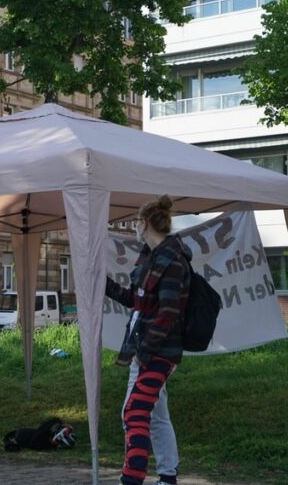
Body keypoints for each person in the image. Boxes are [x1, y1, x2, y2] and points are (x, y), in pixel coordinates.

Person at [105, 195, 189, 485]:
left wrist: (146, 351)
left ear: (143, 224)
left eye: (136, 222)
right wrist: (106, 286)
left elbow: (168, 313)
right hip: (145, 347)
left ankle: (132, 477)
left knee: (134, 412)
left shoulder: (172, 261)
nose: (135, 227)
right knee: (155, 414)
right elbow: (137, 300)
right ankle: (167, 475)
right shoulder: (151, 257)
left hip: (156, 352)